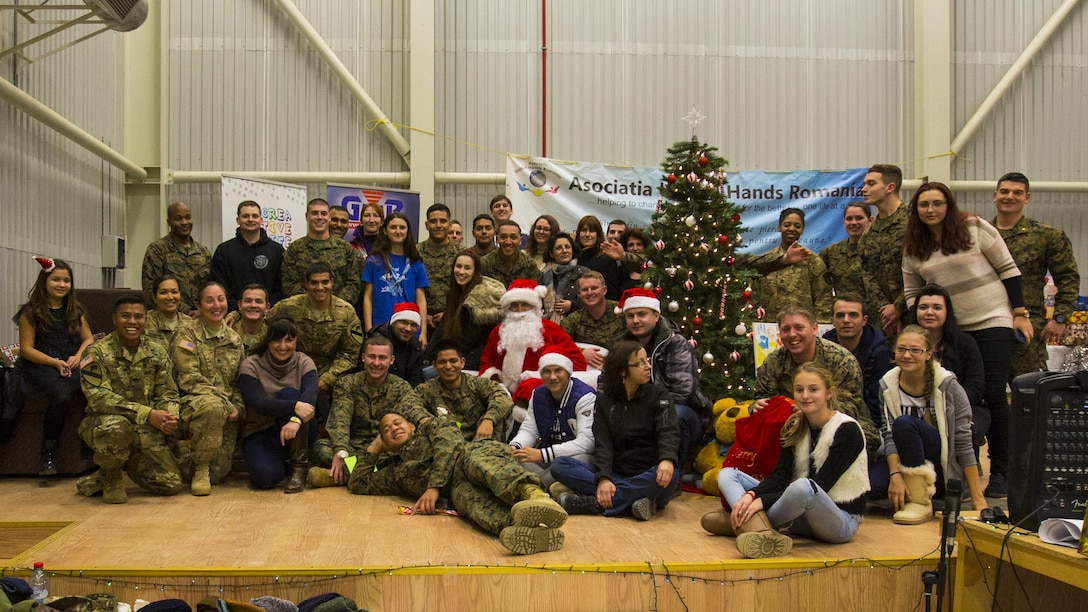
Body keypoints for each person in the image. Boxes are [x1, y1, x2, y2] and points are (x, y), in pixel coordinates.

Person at [902, 181, 1033, 499]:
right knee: (955, 395)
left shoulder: (973, 226)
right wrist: (916, 331)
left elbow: (1009, 269)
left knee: (993, 392)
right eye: (924, 204)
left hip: (992, 320)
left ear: (949, 205)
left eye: (937, 203)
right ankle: (961, 463)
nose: (930, 210)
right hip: (952, 330)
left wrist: (1020, 313)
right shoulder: (913, 247)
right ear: (916, 210)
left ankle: (1001, 470)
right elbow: (911, 294)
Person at [704, 363, 869, 559]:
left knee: (803, 487)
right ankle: (759, 529)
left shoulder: (847, 430)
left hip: (839, 519)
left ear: (829, 393)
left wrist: (761, 502)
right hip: (798, 518)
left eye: (813, 389)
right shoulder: (794, 425)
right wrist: (750, 495)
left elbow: (819, 486)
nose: (805, 396)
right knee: (727, 474)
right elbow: (779, 478)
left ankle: (748, 524)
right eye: (799, 390)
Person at [348, 412, 568, 555]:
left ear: (412, 426)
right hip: (456, 487)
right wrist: (375, 446)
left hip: (471, 455)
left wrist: (433, 487)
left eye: (397, 423)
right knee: (468, 502)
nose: (393, 428)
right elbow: (358, 482)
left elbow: (449, 445)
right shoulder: (396, 472)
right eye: (386, 430)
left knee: (477, 461)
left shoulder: (433, 426)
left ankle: (535, 497)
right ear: (386, 443)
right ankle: (529, 531)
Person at [550, 341, 680, 520]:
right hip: (617, 473)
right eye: (640, 363)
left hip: (649, 474)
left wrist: (667, 459)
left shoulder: (659, 396)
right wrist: (604, 478)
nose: (648, 367)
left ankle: (595, 503)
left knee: (671, 475)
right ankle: (633, 502)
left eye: (647, 360)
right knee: (560, 465)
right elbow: (603, 443)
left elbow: (668, 431)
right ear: (622, 371)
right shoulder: (605, 401)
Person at [77, 294, 184, 503]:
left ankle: (107, 470)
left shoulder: (157, 351)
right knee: (116, 427)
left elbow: (167, 392)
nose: (132, 322)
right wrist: (148, 413)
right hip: (105, 424)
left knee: (171, 484)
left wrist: (169, 416)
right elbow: (100, 398)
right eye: (126, 316)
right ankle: (112, 476)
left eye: (138, 316)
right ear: (114, 319)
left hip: (146, 428)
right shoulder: (95, 353)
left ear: (146, 319)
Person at [877, 326, 987, 524]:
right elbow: (888, 436)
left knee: (905, 424)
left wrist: (978, 498)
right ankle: (907, 487)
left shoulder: (948, 386)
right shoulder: (887, 385)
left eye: (915, 350)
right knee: (874, 486)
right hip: (904, 457)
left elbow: (963, 442)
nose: (907, 355)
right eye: (901, 349)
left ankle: (920, 501)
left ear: (928, 354)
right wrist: (895, 475)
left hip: (941, 464)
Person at [754, 303, 881, 461]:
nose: (792, 334)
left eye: (799, 328)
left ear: (814, 329)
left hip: (840, 423)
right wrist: (757, 406)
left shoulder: (840, 359)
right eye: (786, 329)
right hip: (790, 426)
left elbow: (850, 406)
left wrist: (810, 412)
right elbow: (762, 397)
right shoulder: (774, 362)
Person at [991, 172, 1080, 379]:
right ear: (995, 196)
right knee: (987, 394)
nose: (1009, 197)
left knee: (1028, 394)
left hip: (1028, 330)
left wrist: (1060, 318)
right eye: (1004, 191)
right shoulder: (980, 234)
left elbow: (1068, 278)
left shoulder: (1046, 236)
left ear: (1027, 198)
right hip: (987, 326)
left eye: (1017, 192)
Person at [315, 336, 431, 486]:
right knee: (322, 449)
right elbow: (339, 420)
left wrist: (427, 422)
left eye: (382, 358)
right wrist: (341, 450)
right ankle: (363, 474)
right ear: (363, 358)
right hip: (354, 447)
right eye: (371, 357)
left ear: (391, 360)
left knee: (411, 454)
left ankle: (342, 476)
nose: (376, 363)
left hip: (387, 448)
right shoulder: (348, 383)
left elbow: (413, 408)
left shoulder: (401, 386)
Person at [14, 257, 93, 475]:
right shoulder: (31, 312)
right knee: (61, 394)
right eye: (56, 279)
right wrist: (53, 362)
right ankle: (47, 453)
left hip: (70, 363)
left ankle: (89, 447)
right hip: (41, 366)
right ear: (44, 281)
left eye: (66, 280)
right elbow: (27, 349)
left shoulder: (75, 309)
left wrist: (77, 357)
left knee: (93, 388)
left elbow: (88, 339)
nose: (61, 285)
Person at [613, 288, 710, 466]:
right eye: (630, 316)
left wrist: (644, 409)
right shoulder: (619, 346)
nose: (635, 321)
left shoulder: (675, 343)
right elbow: (608, 383)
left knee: (675, 414)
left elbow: (682, 392)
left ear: (656, 315)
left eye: (642, 314)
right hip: (636, 408)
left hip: (682, 411)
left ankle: (673, 472)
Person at [171, 282, 245, 496]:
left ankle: (185, 452)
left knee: (219, 473)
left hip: (226, 413)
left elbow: (238, 381)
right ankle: (199, 469)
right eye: (209, 300)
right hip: (194, 404)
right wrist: (224, 403)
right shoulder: (187, 334)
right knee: (212, 406)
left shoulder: (233, 339)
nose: (216, 305)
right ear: (199, 304)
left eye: (220, 299)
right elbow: (188, 378)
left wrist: (237, 406)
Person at [269, 263, 363, 414]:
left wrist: (328, 378)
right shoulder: (289, 306)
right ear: (306, 284)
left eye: (325, 282)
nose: (320, 287)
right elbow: (262, 320)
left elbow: (351, 352)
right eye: (314, 282)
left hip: (332, 374)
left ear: (332, 282)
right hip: (293, 371)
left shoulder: (346, 312)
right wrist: (236, 314)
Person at [238, 315, 317, 493]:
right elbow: (259, 403)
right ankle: (281, 462)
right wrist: (293, 407)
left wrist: (295, 419)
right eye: (277, 340)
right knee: (265, 478)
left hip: (299, 429)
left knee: (288, 393)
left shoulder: (305, 362)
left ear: (296, 341)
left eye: (289, 340)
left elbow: (309, 399)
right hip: (261, 429)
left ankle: (299, 468)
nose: (283, 346)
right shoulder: (251, 364)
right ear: (267, 340)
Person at [478, 279, 587, 406]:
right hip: (501, 396)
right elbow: (486, 361)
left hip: (540, 397)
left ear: (534, 306)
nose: (520, 310)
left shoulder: (551, 330)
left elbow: (577, 362)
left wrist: (541, 378)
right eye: (514, 305)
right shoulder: (498, 331)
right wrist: (496, 382)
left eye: (525, 304)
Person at [912, 284, 987, 460]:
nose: (929, 312)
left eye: (937, 307)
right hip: (918, 406)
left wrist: (945, 406)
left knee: (966, 428)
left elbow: (975, 387)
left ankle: (965, 476)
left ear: (947, 312)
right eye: (923, 307)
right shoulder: (907, 342)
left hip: (966, 407)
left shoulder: (965, 343)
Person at [510, 351, 595, 487]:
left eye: (558, 371)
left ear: (568, 373)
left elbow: (587, 443)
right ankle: (549, 487)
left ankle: (534, 486)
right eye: (546, 372)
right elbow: (530, 430)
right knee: (513, 463)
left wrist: (543, 455)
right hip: (547, 456)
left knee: (561, 467)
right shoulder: (538, 394)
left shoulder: (585, 397)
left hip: (576, 458)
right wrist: (515, 447)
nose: (552, 377)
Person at [416, 339, 512, 441]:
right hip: (447, 444)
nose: (448, 366)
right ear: (434, 366)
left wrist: (489, 419)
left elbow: (503, 398)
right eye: (442, 362)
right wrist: (427, 421)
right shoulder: (426, 389)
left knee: (498, 420)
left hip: (482, 443)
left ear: (462, 362)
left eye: (453, 361)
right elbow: (409, 404)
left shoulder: (478, 384)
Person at [748, 208, 832, 322]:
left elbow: (823, 300)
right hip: (769, 329)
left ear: (802, 230)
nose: (792, 229)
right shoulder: (766, 261)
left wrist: (819, 330)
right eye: (787, 225)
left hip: (801, 329)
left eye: (797, 226)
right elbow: (755, 297)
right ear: (779, 227)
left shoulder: (813, 261)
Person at [822, 293, 893, 428]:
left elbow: (877, 404)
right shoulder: (822, 348)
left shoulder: (880, 353)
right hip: (826, 416)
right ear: (832, 320)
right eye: (840, 315)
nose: (846, 320)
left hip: (868, 423)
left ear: (864, 320)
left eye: (853, 315)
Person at [430, 250, 506, 370]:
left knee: (429, 373)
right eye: (458, 266)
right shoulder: (456, 293)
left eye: (467, 268)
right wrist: (428, 356)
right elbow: (442, 329)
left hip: (475, 361)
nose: (461, 272)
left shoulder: (480, 299)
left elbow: (466, 342)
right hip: (457, 355)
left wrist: (443, 361)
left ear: (475, 272)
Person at [362, 212, 430, 344]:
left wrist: (423, 332)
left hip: (409, 329)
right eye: (393, 227)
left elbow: (421, 300)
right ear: (385, 231)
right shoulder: (374, 261)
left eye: (402, 227)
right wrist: (369, 330)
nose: (398, 231)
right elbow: (367, 298)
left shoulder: (416, 263)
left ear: (408, 231)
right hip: (380, 328)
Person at [858, 164, 908, 337]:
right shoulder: (868, 234)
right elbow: (867, 276)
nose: (864, 189)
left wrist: (899, 307)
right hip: (883, 321)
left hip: (914, 314)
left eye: (871, 184)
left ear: (890, 187)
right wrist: (887, 313)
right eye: (865, 184)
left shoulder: (914, 222)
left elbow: (925, 270)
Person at [282, 198, 364, 304]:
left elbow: (354, 284)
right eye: (315, 213)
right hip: (303, 314)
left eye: (323, 213)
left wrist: (332, 304)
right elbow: (289, 284)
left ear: (329, 217)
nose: (319, 217)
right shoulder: (295, 249)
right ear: (307, 216)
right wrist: (313, 303)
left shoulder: (346, 250)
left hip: (339, 313)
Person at [208, 200, 284, 312]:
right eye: (245, 216)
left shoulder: (276, 250)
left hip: (269, 314)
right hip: (232, 316)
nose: (250, 219)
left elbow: (281, 287)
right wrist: (238, 310)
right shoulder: (224, 251)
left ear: (261, 220)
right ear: (238, 220)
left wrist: (266, 307)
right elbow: (219, 287)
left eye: (255, 216)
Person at [141, 202, 211, 316]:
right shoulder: (157, 250)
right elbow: (150, 291)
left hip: (199, 319)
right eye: (178, 218)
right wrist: (185, 311)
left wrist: (202, 310)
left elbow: (209, 288)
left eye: (188, 217)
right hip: (166, 318)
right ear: (169, 222)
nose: (184, 222)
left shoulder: (203, 252)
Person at [820, 203, 876, 321]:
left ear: (870, 220)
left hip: (875, 318)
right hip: (844, 317)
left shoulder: (878, 250)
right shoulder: (831, 252)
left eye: (859, 218)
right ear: (843, 222)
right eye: (849, 219)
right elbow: (821, 288)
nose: (854, 223)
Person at [561, 271, 625, 369]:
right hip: (587, 373)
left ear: (604, 290)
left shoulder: (622, 312)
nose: (590, 293)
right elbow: (559, 345)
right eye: (585, 289)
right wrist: (581, 352)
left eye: (594, 288)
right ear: (579, 294)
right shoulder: (573, 320)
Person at [417, 204, 460, 331]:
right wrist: (423, 315)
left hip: (453, 321)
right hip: (419, 321)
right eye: (433, 221)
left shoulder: (461, 253)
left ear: (450, 225)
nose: (438, 225)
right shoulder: (415, 252)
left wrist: (449, 314)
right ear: (426, 225)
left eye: (443, 221)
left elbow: (468, 290)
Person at [368, 302, 426, 387]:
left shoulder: (415, 348)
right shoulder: (376, 341)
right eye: (404, 323)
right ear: (393, 323)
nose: (408, 329)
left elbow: (416, 379)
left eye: (413, 325)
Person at [573, 215, 624, 301]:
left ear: (598, 234)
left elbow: (612, 295)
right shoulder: (572, 257)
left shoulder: (606, 259)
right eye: (584, 230)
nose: (587, 235)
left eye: (592, 231)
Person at [541, 233, 587, 324]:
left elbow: (594, 300)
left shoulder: (584, 273)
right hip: (546, 324)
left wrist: (572, 305)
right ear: (551, 253)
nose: (564, 251)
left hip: (577, 324)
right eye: (559, 248)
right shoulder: (543, 274)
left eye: (567, 247)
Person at [480, 220, 541, 287]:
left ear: (520, 241)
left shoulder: (529, 265)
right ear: (497, 239)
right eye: (503, 237)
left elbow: (536, 291)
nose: (508, 242)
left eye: (513, 237)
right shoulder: (484, 264)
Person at [143, 274, 194, 350]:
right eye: (163, 292)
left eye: (174, 292)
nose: (170, 297)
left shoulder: (190, 324)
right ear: (154, 298)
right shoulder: (144, 321)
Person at [231, 284, 271, 356]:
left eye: (258, 301)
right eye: (248, 301)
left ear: (267, 308)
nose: (253, 305)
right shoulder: (228, 334)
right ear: (240, 305)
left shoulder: (271, 337)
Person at [619, 227, 649, 294]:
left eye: (639, 244)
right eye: (631, 245)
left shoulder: (653, 270)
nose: (635, 248)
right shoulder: (620, 272)